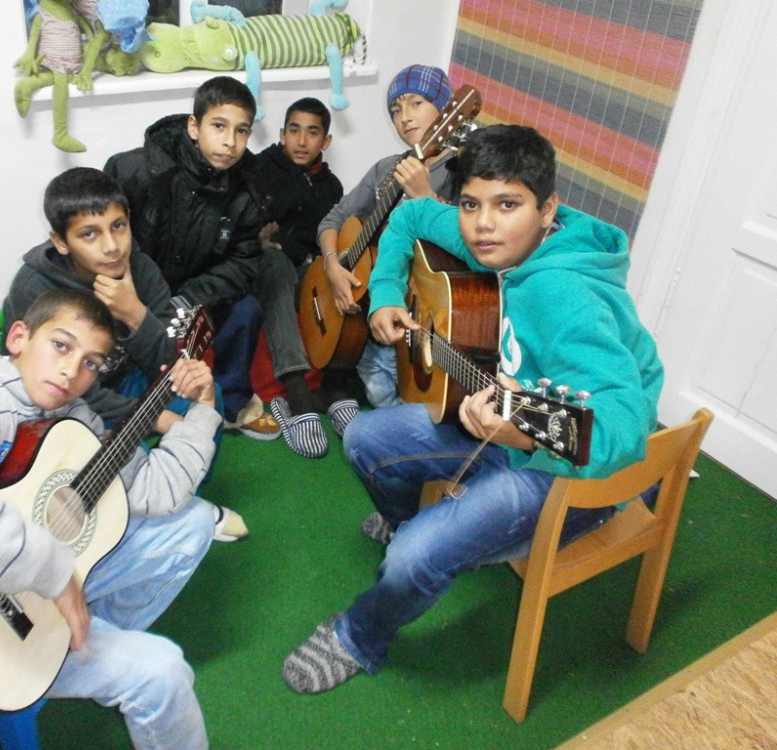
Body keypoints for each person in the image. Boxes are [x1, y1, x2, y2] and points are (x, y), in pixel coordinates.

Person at [282, 124, 665, 694]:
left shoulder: (566, 294)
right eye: (470, 204)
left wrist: (524, 429)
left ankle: (359, 635)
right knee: (362, 437)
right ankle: (411, 522)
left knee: (412, 558)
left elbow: (622, 430)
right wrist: (385, 294)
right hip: (507, 414)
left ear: (546, 209)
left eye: (507, 205)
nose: (483, 224)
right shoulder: (495, 240)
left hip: (582, 471)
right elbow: (411, 216)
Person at [0, 289, 217, 749]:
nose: (72, 371)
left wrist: (203, 410)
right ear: (19, 337)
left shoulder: (73, 417)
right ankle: (90, 650)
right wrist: (55, 573)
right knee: (163, 673)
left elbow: (158, 489)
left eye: (91, 363)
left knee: (193, 522)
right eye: (61, 345)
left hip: (33, 585)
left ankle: (72, 639)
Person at [2, 167, 247, 542]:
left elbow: (166, 362)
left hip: (123, 379)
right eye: (89, 234)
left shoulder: (141, 269)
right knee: (103, 450)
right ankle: (134, 506)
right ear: (61, 241)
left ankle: (183, 498)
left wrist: (135, 313)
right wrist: (158, 419)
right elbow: (64, 392)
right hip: (63, 402)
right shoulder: (35, 288)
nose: (111, 246)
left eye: (118, 226)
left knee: (203, 393)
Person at [104, 75, 278, 441]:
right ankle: (124, 403)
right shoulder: (135, 171)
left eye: (242, 131)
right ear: (194, 127)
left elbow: (243, 261)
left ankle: (231, 406)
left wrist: (188, 298)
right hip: (135, 290)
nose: (230, 142)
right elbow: (108, 239)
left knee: (246, 309)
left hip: (195, 293)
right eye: (219, 126)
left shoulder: (250, 188)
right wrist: (138, 296)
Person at [316, 63, 456, 415]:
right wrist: (333, 266)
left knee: (415, 407)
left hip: (426, 316)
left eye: (416, 103)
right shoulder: (386, 168)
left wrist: (426, 197)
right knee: (380, 393)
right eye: (395, 109)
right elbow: (333, 220)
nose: (404, 117)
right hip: (374, 310)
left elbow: (469, 241)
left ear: (446, 110)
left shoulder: (462, 168)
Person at [254, 97, 344, 458]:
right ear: (281, 134)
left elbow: (320, 240)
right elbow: (248, 227)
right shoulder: (259, 168)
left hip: (300, 266)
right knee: (275, 263)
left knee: (335, 271)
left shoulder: (331, 186)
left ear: (326, 140)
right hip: (260, 268)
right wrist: (263, 240)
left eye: (312, 133)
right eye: (294, 131)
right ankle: (296, 388)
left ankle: (337, 382)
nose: (302, 141)